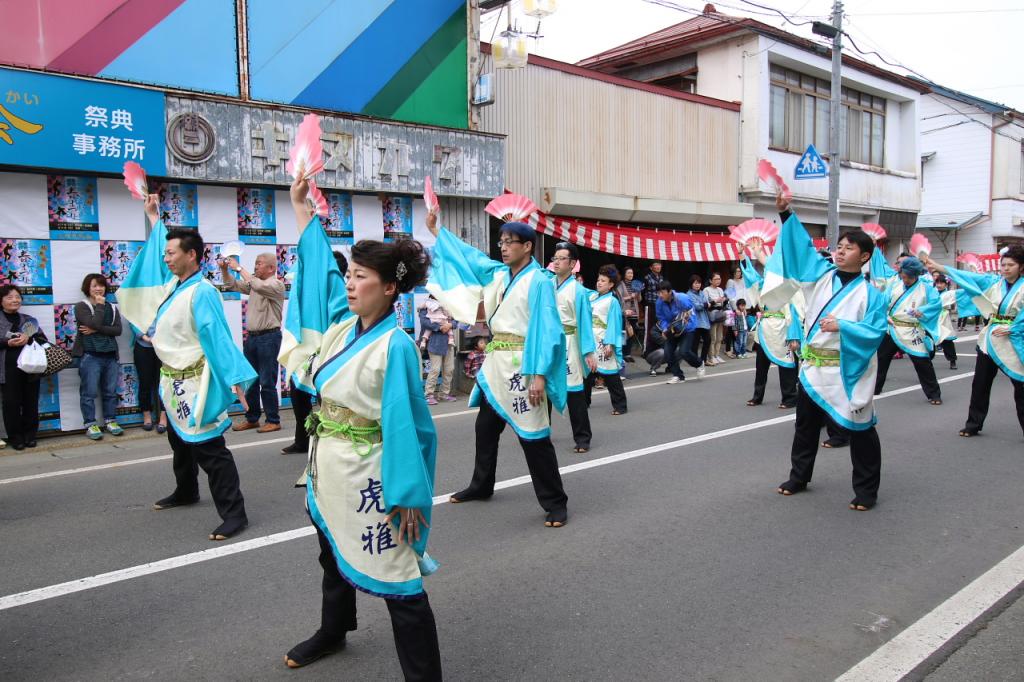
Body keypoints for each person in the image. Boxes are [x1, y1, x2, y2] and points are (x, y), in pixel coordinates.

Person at [279, 177, 441, 677]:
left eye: (361, 276)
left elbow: (410, 427)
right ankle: (334, 629)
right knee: (330, 554)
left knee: (400, 581)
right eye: (349, 275)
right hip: (328, 465)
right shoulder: (340, 327)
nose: (348, 283)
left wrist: (409, 494)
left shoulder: (395, 346)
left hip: (372, 474)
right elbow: (316, 279)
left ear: (390, 287)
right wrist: (300, 208)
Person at [118, 194, 257, 541]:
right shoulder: (172, 285)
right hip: (171, 379)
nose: (165, 258)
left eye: (171, 253)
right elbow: (153, 257)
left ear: (191, 255)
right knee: (179, 442)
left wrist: (235, 378)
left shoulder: (202, 291)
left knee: (210, 449)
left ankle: (234, 513)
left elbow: (218, 338)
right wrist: (153, 217)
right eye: (165, 253)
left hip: (197, 381)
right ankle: (186, 490)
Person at [424, 209, 570, 528]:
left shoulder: (540, 282)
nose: (502, 247)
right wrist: (438, 232)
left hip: (524, 366)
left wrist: (539, 376)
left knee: (534, 437)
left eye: (510, 242)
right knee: (485, 428)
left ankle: (556, 502)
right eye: (501, 241)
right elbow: (470, 257)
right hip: (495, 365)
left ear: (528, 246)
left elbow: (547, 330)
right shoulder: (498, 274)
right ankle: (481, 485)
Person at [764, 194, 888, 511]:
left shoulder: (871, 295)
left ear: (865, 257)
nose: (841, 251)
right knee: (804, 426)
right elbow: (801, 248)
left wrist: (844, 327)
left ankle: (866, 490)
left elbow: (876, 332)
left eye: (849, 248)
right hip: (813, 367)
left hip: (849, 370)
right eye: (840, 246)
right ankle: (799, 476)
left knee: (860, 430)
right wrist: (785, 212)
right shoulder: (820, 275)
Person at [923, 246, 1024, 438]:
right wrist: (938, 266)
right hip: (989, 340)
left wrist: (1014, 328)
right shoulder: (993, 282)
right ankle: (973, 424)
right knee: (980, 384)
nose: (1006, 268)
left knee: (1020, 386)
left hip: (1014, 340)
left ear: (1021, 267)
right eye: (1003, 264)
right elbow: (964, 276)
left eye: (1011, 265)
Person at [282, 250, 348, 456]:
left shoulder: (344, 295)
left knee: (327, 398)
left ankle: (336, 439)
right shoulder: (313, 295)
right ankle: (302, 439)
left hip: (332, 355)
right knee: (298, 394)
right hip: (310, 355)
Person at [221, 251, 286, 433]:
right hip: (253, 338)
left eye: (259, 263)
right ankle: (252, 418)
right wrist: (225, 270)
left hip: (269, 338)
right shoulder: (254, 284)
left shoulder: (276, 285)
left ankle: (273, 420)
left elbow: (256, 285)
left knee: (267, 381)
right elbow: (231, 284)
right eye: (255, 263)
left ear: (271, 268)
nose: (256, 266)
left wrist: (239, 268)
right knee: (250, 381)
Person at [873, 257, 943, 404]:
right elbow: (882, 303)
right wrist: (885, 316)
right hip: (892, 328)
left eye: (908, 277)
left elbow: (936, 304)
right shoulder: (894, 285)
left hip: (912, 330)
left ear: (916, 275)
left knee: (922, 362)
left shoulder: (926, 289)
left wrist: (922, 312)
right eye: (903, 276)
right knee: (881, 359)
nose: (905, 280)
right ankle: (875, 388)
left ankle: (934, 394)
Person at [550, 242, 598, 453]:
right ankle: (540, 433)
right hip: (549, 344)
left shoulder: (578, 291)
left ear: (572, 264)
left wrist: (588, 351)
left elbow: (585, 323)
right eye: (555, 258)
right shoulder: (546, 284)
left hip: (569, 344)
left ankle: (582, 438)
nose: (557, 262)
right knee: (544, 391)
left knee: (574, 393)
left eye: (562, 258)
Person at [740, 249, 801, 409]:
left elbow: (794, 313)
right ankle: (757, 396)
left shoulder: (787, 288)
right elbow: (750, 277)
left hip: (783, 328)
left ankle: (789, 397)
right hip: (764, 328)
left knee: (787, 362)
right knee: (761, 365)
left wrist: (794, 336)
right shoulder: (762, 285)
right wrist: (742, 256)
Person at [73, 274, 125, 440]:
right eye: (94, 285)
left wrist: (96, 329)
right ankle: (90, 423)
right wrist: (100, 308)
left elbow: (117, 331)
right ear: (87, 288)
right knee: (88, 393)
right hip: (90, 356)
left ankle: (110, 420)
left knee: (110, 392)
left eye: (101, 285)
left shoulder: (113, 307)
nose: (98, 289)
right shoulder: (82, 306)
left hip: (110, 355)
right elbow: (93, 322)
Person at [0, 284, 48, 450]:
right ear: (1, 301)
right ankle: (15, 437)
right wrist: (7, 342)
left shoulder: (28, 320)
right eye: (9, 297)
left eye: (17, 297)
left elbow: (43, 340)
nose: (15, 300)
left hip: (30, 369)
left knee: (30, 402)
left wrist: (29, 338)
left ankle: (30, 435)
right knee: (11, 403)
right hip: (7, 369)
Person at [586, 265, 627, 416]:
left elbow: (614, 324)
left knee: (610, 375)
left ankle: (620, 405)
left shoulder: (612, 301)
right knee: (587, 373)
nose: (599, 283)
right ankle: (584, 402)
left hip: (603, 342)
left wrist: (610, 342)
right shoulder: (592, 297)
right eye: (598, 280)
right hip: (591, 341)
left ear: (611, 284)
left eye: (603, 280)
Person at [655, 280, 704, 383]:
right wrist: (664, 328)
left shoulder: (682, 298)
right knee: (668, 352)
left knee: (684, 352)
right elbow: (661, 318)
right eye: (658, 293)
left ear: (669, 292)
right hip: (671, 329)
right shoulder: (659, 302)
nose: (660, 295)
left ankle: (699, 364)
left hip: (687, 327)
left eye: (662, 292)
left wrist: (685, 320)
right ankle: (678, 375)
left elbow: (691, 311)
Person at [418, 295, 458, 406]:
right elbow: (424, 322)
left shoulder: (447, 305)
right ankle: (428, 394)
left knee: (449, 369)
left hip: (449, 342)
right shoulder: (425, 306)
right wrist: (440, 327)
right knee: (435, 369)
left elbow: (457, 320)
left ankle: (444, 393)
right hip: (434, 341)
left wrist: (450, 324)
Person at [134, 320, 168, 434]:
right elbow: (132, 321)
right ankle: (147, 416)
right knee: (145, 382)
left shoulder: (163, 303)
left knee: (164, 382)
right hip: (143, 346)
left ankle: (164, 417)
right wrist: (145, 337)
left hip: (163, 347)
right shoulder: (138, 304)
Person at [686, 275, 712, 366]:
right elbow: (697, 306)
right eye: (695, 283)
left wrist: (705, 304)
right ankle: (695, 361)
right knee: (695, 343)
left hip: (704, 320)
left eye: (699, 283)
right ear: (691, 284)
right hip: (694, 321)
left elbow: (706, 303)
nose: (698, 285)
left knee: (708, 340)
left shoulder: (701, 292)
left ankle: (703, 360)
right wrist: (705, 304)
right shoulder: (689, 294)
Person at [933, 274, 958, 370]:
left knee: (947, 340)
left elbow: (953, 307)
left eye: (941, 283)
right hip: (933, 318)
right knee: (928, 340)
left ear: (946, 284)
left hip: (944, 318)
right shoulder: (933, 292)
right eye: (937, 283)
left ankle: (952, 360)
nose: (939, 285)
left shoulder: (949, 294)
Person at [616, 267, 640, 362]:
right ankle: (621, 354)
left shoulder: (635, 284)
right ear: (624, 274)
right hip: (625, 312)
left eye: (632, 273)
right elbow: (619, 298)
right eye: (629, 273)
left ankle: (628, 354)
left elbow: (639, 300)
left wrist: (638, 293)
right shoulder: (620, 284)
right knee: (623, 333)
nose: (631, 275)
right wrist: (630, 296)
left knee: (631, 334)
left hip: (634, 313)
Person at [704, 272, 728, 365]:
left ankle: (717, 355)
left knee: (719, 337)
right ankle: (711, 356)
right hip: (712, 314)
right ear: (710, 280)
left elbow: (723, 303)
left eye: (719, 279)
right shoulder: (706, 290)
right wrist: (716, 301)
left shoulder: (720, 289)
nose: (718, 281)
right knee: (713, 337)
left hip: (720, 313)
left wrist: (725, 300)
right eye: (716, 279)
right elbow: (706, 304)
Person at [642, 261, 664, 350]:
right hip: (650, 305)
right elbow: (642, 291)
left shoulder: (661, 278)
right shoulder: (647, 278)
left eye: (659, 265)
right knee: (648, 327)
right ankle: (646, 349)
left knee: (658, 326)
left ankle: (656, 347)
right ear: (651, 267)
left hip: (660, 305)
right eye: (656, 265)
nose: (658, 266)